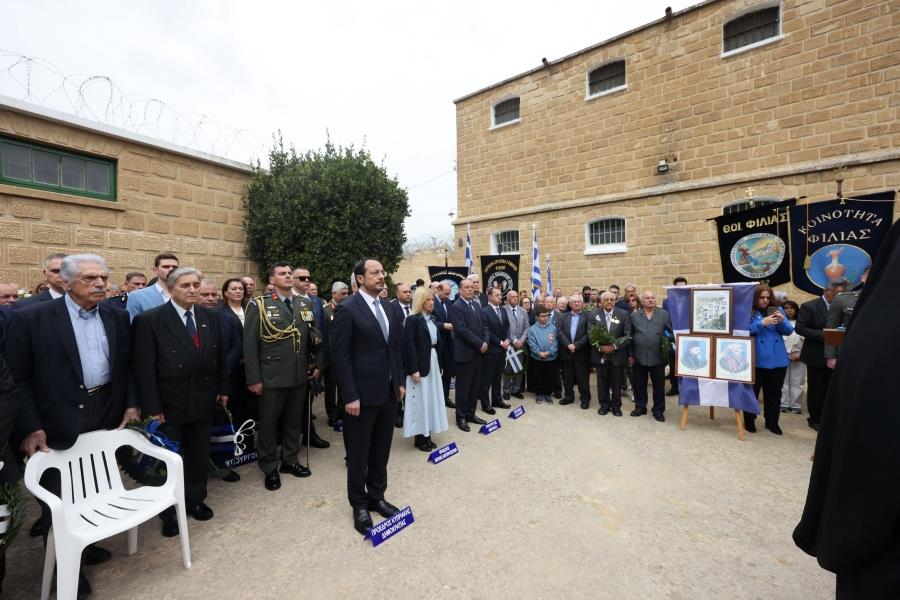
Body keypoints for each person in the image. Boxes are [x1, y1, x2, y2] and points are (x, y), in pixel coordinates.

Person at [8, 254, 134, 598]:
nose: (100, 284)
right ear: (65, 282)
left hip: (104, 412)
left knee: (92, 488)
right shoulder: (31, 318)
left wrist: (130, 404)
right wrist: (31, 426)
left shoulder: (117, 315)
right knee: (60, 500)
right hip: (56, 420)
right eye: (90, 278)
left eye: (103, 277)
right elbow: (18, 379)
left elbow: (126, 367)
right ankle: (67, 572)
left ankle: (86, 545)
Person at [793, 219, 900, 598]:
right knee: (819, 395)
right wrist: (832, 351)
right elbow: (833, 330)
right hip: (831, 358)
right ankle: (814, 416)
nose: (837, 289)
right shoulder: (853, 310)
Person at [132, 268, 229, 535]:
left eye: (195, 285)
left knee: (198, 454)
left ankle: (195, 499)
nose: (192, 290)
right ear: (171, 288)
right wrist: (152, 408)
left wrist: (222, 388)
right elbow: (144, 369)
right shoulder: (150, 320)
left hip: (203, 400)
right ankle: (168, 510)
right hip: (168, 404)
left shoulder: (209, 316)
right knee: (168, 458)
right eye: (186, 285)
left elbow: (218, 356)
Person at [331, 258, 406, 536]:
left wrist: (399, 382)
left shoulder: (388, 307)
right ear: (360, 279)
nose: (381, 276)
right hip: (360, 397)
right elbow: (341, 356)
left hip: (388, 393)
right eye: (375, 273)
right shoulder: (348, 308)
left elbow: (394, 348)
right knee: (359, 453)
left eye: (382, 272)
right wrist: (350, 395)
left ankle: (377, 496)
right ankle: (359, 504)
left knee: (381, 449)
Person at [244, 263, 324, 492]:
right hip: (271, 376)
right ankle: (270, 467)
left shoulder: (304, 303)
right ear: (272, 280)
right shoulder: (259, 305)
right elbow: (250, 346)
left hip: (299, 373)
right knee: (269, 424)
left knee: (294, 421)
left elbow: (312, 336)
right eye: (282, 274)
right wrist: (254, 379)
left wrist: (316, 363)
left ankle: (290, 460)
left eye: (290, 273)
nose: (288, 276)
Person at [795, 278, 847, 431]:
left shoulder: (844, 307)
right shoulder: (810, 306)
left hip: (837, 355)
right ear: (826, 291)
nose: (839, 297)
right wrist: (827, 336)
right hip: (816, 355)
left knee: (832, 389)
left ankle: (828, 418)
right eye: (836, 294)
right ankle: (815, 419)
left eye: (842, 294)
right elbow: (800, 328)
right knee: (817, 389)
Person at [401, 287, 449, 451]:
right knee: (420, 401)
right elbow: (409, 346)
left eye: (432, 299)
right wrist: (414, 369)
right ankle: (420, 438)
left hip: (433, 362)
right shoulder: (412, 320)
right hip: (420, 366)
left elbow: (437, 345)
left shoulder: (433, 318)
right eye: (428, 299)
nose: (431, 302)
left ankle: (428, 434)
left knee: (430, 398)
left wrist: (440, 365)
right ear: (420, 301)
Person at [745, 284, 793, 435]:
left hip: (778, 359)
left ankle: (772, 421)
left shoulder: (777, 310)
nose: (765, 300)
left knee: (774, 393)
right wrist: (761, 323)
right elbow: (743, 332)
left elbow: (789, 331)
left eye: (767, 297)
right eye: (761, 297)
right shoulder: (748, 311)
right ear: (755, 298)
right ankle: (749, 420)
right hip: (756, 359)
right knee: (752, 392)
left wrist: (782, 321)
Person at [291, 266, 329, 446]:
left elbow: (321, 333)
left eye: (308, 278)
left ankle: (308, 434)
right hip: (292, 361)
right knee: (293, 405)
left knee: (308, 401)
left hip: (312, 361)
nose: (306, 281)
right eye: (302, 278)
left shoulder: (316, 301)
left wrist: (320, 363)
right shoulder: (287, 300)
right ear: (292, 280)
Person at [449, 277, 489, 431]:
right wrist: (480, 344)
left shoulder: (477, 305)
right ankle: (461, 417)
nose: (471, 289)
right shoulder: (456, 306)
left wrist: (485, 341)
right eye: (467, 287)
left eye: (472, 287)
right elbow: (461, 330)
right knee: (463, 388)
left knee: (474, 386)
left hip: (478, 354)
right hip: (465, 354)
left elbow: (484, 326)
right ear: (460, 290)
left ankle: (471, 413)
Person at [629, 290, 673, 422]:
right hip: (639, 356)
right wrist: (630, 354)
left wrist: (668, 342)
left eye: (652, 297)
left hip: (658, 356)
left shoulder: (663, 314)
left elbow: (670, 331)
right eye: (647, 298)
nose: (650, 300)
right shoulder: (634, 316)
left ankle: (658, 410)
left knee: (659, 386)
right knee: (639, 384)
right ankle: (640, 407)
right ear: (642, 301)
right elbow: (629, 336)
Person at [589, 291, 632, 416]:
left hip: (617, 355)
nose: (609, 302)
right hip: (600, 354)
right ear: (601, 302)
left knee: (617, 383)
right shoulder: (593, 314)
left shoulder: (623, 314)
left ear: (615, 301)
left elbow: (628, 335)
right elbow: (590, 333)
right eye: (606, 300)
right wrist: (600, 347)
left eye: (611, 300)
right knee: (602, 382)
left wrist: (615, 346)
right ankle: (604, 405)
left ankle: (616, 406)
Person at [824, 268, 868, 368]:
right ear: (863, 278)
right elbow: (832, 328)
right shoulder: (843, 299)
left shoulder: (890, 300)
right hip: (850, 350)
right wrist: (831, 356)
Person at [479, 287, 511, 414]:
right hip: (491, 350)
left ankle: (497, 400)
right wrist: (500, 342)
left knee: (498, 377)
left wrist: (508, 339)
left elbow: (507, 326)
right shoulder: (484, 311)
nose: (500, 297)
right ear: (490, 297)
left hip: (502, 350)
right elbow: (487, 331)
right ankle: (485, 404)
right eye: (497, 295)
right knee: (487, 378)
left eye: (500, 295)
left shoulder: (503, 310)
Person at [322, 281, 349, 426]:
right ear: (334, 294)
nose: (346, 296)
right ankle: (332, 415)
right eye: (343, 293)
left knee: (344, 385)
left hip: (346, 356)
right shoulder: (325, 311)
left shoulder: (348, 308)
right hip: (331, 357)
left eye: (347, 293)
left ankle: (342, 412)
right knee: (331, 387)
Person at [557, 293, 591, 408]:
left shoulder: (588, 316)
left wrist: (576, 345)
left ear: (582, 304)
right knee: (567, 377)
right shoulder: (563, 316)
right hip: (567, 351)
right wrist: (568, 345)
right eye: (574, 302)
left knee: (583, 378)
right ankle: (568, 397)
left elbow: (589, 334)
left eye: (578, 301)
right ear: (570, 304)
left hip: (581, 352)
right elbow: (559, 332)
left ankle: (585, 399)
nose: (576, 303)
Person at [126, 252, 180, 321]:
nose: (171, 269)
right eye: (166, 267)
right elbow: (132, 324)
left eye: (174, 267)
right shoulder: (137, 296)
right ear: (155, 271)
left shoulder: (185, 293)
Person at [431, 282, 456, 409]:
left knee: (447, 373)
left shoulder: (449, 303)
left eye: (449, 294)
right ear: (438, 290)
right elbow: (427, 321)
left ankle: (445, 397)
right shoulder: (431, 302)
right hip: (436, 344)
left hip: (449, 343)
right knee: (436, 373)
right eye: (445, 293)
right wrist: (443, 325)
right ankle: (436, 399)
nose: (447, 296)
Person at [527, 305, 559, 404]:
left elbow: (555, 342)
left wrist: (549, 352)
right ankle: (539, 394)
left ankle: (547, 393)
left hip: (551, 358)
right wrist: (539, 352)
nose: (545, 318)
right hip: (537, 358)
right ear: (537, 317)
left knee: (549, 376)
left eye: (547, 316)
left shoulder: (552, 327)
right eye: (542, 316)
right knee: (538, 376)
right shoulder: (532, 329)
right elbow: (532, 344)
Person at [662, 277, 688, 397]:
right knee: (673, 364)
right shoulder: (667, 301)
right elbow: (665, 318)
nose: (681, 289)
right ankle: (674, 387)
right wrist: (669, 335)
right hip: (672, 337)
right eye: (678, 287)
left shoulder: (692, 299)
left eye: (683, 286)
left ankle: (687, 388)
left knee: (686, 363)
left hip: (687, 337)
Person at [502, 290, 528, 401]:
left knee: (519, 368)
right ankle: (506, 390)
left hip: (520, 345)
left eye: (517, 296)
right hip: (509, 344)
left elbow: (527, 327)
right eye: (513, 297)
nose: (516, 298)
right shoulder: (503, 310)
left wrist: (521, 341)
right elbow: (504, 327)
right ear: (508, 298)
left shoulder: (523, 311)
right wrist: (514, 340)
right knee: (507, 369)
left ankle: (516, 390)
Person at [780, 300, 805, 414]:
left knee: (798, 381)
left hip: (799, 355)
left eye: (792, 308)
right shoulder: (780, 323)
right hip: (783, 355)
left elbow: (806, 341)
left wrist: (801, 354)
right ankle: (783, 403)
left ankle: (796, 405)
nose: (789, 310)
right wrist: (784, 354)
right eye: (786, 308)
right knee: (783, 380)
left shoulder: (802, 323)